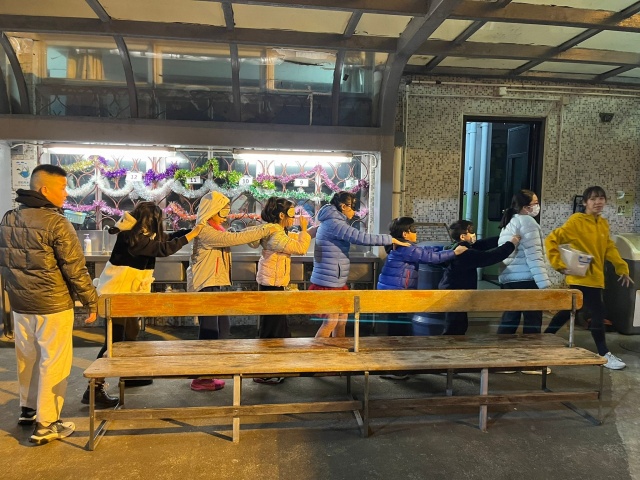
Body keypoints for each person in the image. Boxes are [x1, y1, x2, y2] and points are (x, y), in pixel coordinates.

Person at [0, 164, 98, 445]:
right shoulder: (57, 223)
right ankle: (47, 424)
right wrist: (91, 301)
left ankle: (28, 409)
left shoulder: (9, 218)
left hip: (21, 304)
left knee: (27, 358)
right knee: (54, 362)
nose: (66, 193)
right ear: (45, 189)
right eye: (63, 187)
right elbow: (75, 269)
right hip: (53, 304)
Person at [83, 202, 203, 405]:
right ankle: (94, 388)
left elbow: (165, 239)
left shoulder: (140, 233)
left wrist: (189, 231)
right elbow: (163, 249)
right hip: (116, 295)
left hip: (127, 295)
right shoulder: (130, 236)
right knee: (113, 342)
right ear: (151, 220)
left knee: (130, 335)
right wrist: (190, 236)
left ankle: (129, 375)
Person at [187, 191, 277, 391]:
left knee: (222, 329)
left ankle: (207, 372)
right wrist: (266, 228)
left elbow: (232, 236)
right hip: (206, 285)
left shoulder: (214, 228)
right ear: (212, 210)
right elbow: (234, 238)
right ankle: (201, 378)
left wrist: (259, 228)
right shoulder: (205, 230)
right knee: (210, 332)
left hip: (213, 284)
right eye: (223, 210)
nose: (226, 214)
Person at [544, 186, 633, 370]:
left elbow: (609, 248)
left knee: (569, 310)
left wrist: (621, 268)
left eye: (601, 198)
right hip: (580, 277)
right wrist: (559, 264)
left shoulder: (603, 223)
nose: (597, 202)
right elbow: (551, 239)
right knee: (598, 313)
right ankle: (603, 353)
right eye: (593, 199)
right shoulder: (576, 221)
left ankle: (544, 338)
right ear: (585, 202)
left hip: (596, 278)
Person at [311, 191, 408, 338]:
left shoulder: (332, 221)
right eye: (352, 207)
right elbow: (361, 237)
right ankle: (317, 350)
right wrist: (391, 239)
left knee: (341, 319)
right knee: (331, 321)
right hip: (328, 282)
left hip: (333, 280)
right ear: (343, 206)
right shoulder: (335, 223)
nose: (354, 211)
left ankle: (339, 349)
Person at [250, 197, 313, 385]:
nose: (294, 217)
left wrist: (306, 231)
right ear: (281, 215)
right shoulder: (275, 235)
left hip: (274, 284)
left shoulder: (278, 231)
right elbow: (300, 248)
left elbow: (294, 240)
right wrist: (303, 229)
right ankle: (266, 371)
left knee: (279, 329)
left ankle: (278, 367)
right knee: (272, 331)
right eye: (291, 214)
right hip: (271, 286)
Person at [377, 216, 467, 336]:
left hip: (392, 291)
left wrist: (444, 248)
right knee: (399, 325)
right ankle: (397, 345)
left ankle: (396, 343)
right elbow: (431, 258)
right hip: (397, 292)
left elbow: (425, 250)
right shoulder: (407, 249)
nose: (416, 232)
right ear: (405, 234)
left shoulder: (402, 246)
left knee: (396, 322)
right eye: (413, 229)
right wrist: (454, 252)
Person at [439, 220, 520, 335]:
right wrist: (511, 243)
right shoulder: (465, 254)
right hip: (454, 294)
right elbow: (491, 257)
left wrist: (504, 237)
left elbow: (483, 244)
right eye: (471, 231)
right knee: (455, 327)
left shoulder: (458, 247)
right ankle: (450, 345)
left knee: (459, 324)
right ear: (462, 236)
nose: (474, 234)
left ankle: (455, 344)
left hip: (454, 291)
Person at [497, 190, 551, 335]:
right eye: (535, 203)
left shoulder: (511, 221)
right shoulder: (528, 222)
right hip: (526, 279)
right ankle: (530, 348)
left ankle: (501, 345)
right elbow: (534, 255)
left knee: (510, 319)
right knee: (532, 321)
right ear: (526, 207)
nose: (538, 206)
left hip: (510, 278)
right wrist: (544, 284)